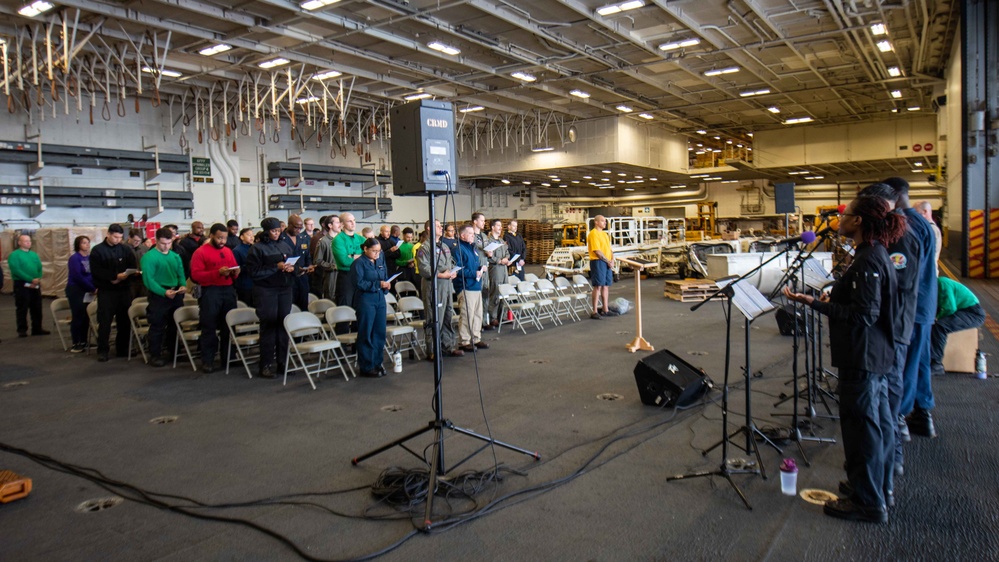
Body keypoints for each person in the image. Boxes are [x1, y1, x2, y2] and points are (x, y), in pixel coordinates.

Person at [785, 194, 906, 524]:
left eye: (845, 214)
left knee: (862, 430)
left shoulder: (868, 261)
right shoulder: (872, 255)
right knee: (874, 427)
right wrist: (826, 299)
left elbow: (864, 315)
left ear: (859, 222)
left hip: (863, 359)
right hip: (873, 356)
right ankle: (869, 487)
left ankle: (868, 502)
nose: (839, 220)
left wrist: (816, 304)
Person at [858, 182, 920, 489]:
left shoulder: (900, 238)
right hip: (889, 327)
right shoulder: (890, 237)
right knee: (883, 401)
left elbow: (900, 282)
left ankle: (888, 470)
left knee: (886, 403)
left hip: (893, 329)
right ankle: (884, 474)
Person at [883, 177, 939, 439]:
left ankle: (899, 419)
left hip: (911, 308)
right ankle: (923, 414)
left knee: (904, 364)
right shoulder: (922, 222)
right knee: (920, 361)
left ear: (892, 195)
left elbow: (900, 274)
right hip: (924, 304)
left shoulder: (903, 226)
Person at [245, 217, 296, 378]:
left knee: (283, 325)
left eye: (278, 231)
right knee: (268, 326)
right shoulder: (257, 248)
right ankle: (265, 364)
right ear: (267, 232)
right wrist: (276, 267)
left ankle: (282, 362)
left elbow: (294, 264)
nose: (276, 233)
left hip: (284, 288)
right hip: (266, 290)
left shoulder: (285, 245)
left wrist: (292, 268)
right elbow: (253, 273)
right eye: (273, 231)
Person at [191, 223, 239, 373]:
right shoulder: (200, 252)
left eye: (224, 238)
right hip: (210, 291)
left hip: (228, 289)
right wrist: (217, 273)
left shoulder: (228, 251)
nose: (222, 241)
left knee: (228, 326)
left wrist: (235, 272)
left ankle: (228, 357)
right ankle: (208, 360)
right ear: (211, 236)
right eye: (219, 238)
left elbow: (233, 267)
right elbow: (196, 275)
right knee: (209, 326)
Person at [90, 224, 138, 362]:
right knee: (105, 321)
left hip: (124, 289)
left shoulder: (125, 249)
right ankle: (103, 350)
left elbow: (132, 265)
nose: (118, 240)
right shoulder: (97, 251)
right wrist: (113, 277)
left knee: (124, 321)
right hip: (107, 291)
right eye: (115, 237)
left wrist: (126, 276)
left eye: (120, 237)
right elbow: (96, 271)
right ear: (109, 234)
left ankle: (122, 348)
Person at [141, 228, 187, 368]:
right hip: (159, 295)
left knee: (174, 325)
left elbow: (181, 274)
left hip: (175, 293)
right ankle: (155, 355)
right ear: (156, 240)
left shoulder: (175, 256)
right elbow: (149, 280)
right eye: (162, 243)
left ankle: (174, 352)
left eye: (169, 243)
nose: (166, 246)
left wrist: (183, 285)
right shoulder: (149, 257)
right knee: (157, 326)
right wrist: (163, 292)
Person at [418, 220, 462, 359]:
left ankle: (447, 346)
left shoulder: (444, 246)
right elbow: (424, 268)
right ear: (429, 228)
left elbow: (450, 262)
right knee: (434, 317)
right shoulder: (424, 247)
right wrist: (442, 274)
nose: (441, 228)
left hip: (447, 285)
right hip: (434, 286)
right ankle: (433, 350)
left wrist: (453, 271)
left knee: (448, 315)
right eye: (438, 226)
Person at [351, 238, 390, 377]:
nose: (377, 254)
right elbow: (359, 283)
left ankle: (377, 363)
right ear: (365, 249)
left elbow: (384, 275)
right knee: (366, 333)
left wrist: (386, 285)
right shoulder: (358, 264)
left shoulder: (379, 260)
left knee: (379, 332)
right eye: (374, 251)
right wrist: (378, 284)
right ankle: (367, 366)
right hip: (365, 299)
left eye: (379, 251)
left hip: (380, 298)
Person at [931, 277, 985, 376]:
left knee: (940, 327)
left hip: (972, 313)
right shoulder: (935, 286)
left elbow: (949, 308)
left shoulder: (942, 283)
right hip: (962, 311)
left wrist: (936, 318)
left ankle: (936, 364)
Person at [455, 224, 488, 352]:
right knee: (467, 314)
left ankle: (476, 337)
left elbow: (474, 264)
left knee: (477, 314)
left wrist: (480, 268)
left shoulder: (473, 248)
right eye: (470, 234)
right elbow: (458, 269)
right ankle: (464, 340)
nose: (473, 236)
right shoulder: (458, 249)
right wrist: (474, 273)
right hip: (466, 285)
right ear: (462, 235)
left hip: (476, 285)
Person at [8, 233, 48, 338]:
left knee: (37, 307)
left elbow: (39, 267)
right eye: (25, 241)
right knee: (22, 307)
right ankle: (22, 329)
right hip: (21, 284)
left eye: (29, 241)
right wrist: (30, 279)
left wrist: (38, 278)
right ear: (19, 243)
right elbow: (16, 270)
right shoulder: (14, 255)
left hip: (35, 283)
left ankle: (37, 328)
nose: (28, 243)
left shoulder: (34, 255)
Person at [279, 214, 315, 311]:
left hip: (302, 276)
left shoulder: (302, 238)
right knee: (289, 305)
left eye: (300, 228)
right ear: (289, 225)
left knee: (303, 304)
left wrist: (310, 265)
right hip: (287, 277)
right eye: (296, 227)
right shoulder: (280, 239)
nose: (298, 230)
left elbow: (307, 255)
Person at [66, 235, 95, 352]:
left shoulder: (90, 258)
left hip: (88, 290)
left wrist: (94, 286)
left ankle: (84, 340)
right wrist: (91, 288)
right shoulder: (74, 258)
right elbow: (77, 276)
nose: (87, 245)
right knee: (78, 315)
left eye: (88, 242)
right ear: (78, 244)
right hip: (76, 290)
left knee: (86, 315)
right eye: (84, 243)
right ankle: (76, 342)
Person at [332, 212, 363, 306]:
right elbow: (344, 261)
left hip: (360, 276)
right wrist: (361, 256)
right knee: (345, 306)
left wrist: (352, 256)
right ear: (342, 224)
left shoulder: (361, 239)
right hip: (346, 276)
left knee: (359, 307)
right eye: (349, 221)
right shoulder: (338, 240)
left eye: (354, 220)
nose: (353, 223)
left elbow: (370, 256)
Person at [587, 215, 614, 319]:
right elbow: (597, 251)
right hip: (598, 261)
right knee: (598, 286)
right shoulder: (593, 234)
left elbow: (609, 249)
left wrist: (612, 260)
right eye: (602, 221)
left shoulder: (605, 234)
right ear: (596, 222)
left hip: (607, 262)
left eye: (605, 221)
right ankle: (594, 311)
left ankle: (605, 309)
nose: (605, 223)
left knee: (605, 286)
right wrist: (608, 261)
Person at [485, 219, 511, 329]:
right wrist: (499, 260)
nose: (500, 228)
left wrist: (506, 259)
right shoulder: (488, 241)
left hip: (504, 269)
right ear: (492, 227)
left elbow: (507, 253)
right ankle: (493, 317)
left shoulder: (501, 241)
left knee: (504, 293)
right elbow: (488, 257)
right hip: (495, 269)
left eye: (501, 226)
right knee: (495, 292)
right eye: (498, 226)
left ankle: (502, 315)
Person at [471, 213, 492, 327]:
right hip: (476, 268)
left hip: (485, 267)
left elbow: (487, 248)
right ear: (475, 221)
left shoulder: (484, 236)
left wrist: (490, 253)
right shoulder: (471, 235)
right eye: (482, 220)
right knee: (476, 296)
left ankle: (484, 321)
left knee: (485, 293)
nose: (484, 223)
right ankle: (476, 323)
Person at [311, 215, 340, 300]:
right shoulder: (323, 241)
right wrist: (332, 266)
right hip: (330, 276)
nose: (340, 225)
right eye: (337, 222)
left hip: (343, 275)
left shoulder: (341, 240)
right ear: (330, 225)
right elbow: (317, 261)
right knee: (331, 300)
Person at [232, 228, 256, 306]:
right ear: (241, 237)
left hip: (255, 283)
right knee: (246, 305)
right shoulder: (237, 250)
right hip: (244, 283)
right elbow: (236, 268)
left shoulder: (255, 248)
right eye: (249, 235)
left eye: (253, 235)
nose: (251, 237)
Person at [916, 201, 942, 269]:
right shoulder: (928, 228)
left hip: (928, 273)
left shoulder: (931, 229)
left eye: (916, 212)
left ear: (924, 212)